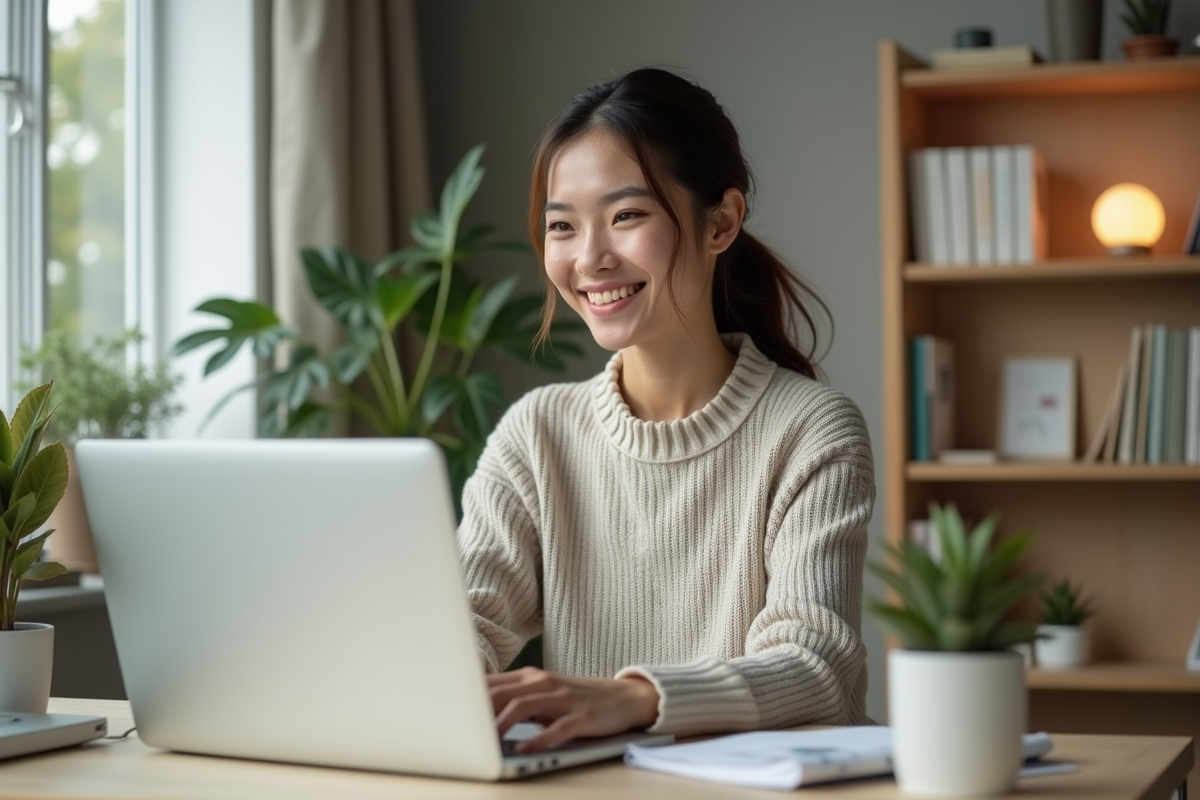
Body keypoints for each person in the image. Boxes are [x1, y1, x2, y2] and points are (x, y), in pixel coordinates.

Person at [456, 67, 875, 755]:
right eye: (562, 226)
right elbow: (468, 617)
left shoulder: (810, 428)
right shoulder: (537, 433)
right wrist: (447, 674)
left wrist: (635, 699)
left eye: (626, 216)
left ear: (721, 223)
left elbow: (815, 666)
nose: (588, 258)